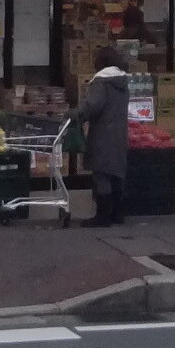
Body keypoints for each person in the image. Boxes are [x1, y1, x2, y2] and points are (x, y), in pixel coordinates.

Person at [73, 63, 130, 226]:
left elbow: (92, 106)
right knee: (116, 172)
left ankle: (103, 216)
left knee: (101, 173)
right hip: (119, 133)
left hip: (103, 134)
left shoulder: (102, 83)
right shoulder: (121, 83)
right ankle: (117, 213)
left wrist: (75, 114)